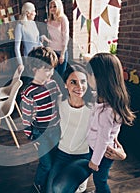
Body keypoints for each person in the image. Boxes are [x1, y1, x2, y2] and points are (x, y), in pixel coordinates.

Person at [46, 64, 127, 193]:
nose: (79, 87)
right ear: (65, 84)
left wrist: (122, 154)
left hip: (84, 156)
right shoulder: (60, 101)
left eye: (83, 81)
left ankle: (80, 183)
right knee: (50, 191)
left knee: (59, 189)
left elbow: (110, 130)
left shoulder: (96, 105)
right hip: (62, 154)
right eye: (73, 82)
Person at [86, 53, 136, 193]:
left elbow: (103, 139)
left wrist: (95, 162)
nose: (87, 76)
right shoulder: (100, 99)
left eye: (90, 73)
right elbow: (112, 130)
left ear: (101, 78)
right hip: (96, 148)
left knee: (100, 181)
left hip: (103, 154)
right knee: (98, 179)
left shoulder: (107, 112)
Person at [20, 46, 61, 193]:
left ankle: (51, 185)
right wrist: (31, 137)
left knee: (56, 160)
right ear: (34, 68)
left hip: (56, 129)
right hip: (40, 133)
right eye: (46, 69)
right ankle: (38, 185)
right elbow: (26, 118)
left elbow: (59, 105)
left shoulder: (53, 84)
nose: (50, 72)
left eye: (51, 69)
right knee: (46, 164)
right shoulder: (28, 93)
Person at [47, 0, 69, 77]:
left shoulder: (63, 19)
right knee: (52, 75)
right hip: (52, 51)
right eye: (50, 7)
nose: (52, 9)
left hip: (61, 51)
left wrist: (62, 54)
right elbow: (51, 37)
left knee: (61, 75)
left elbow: (65, 37)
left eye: (54, 6)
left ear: (59, 7)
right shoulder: (49, 20)